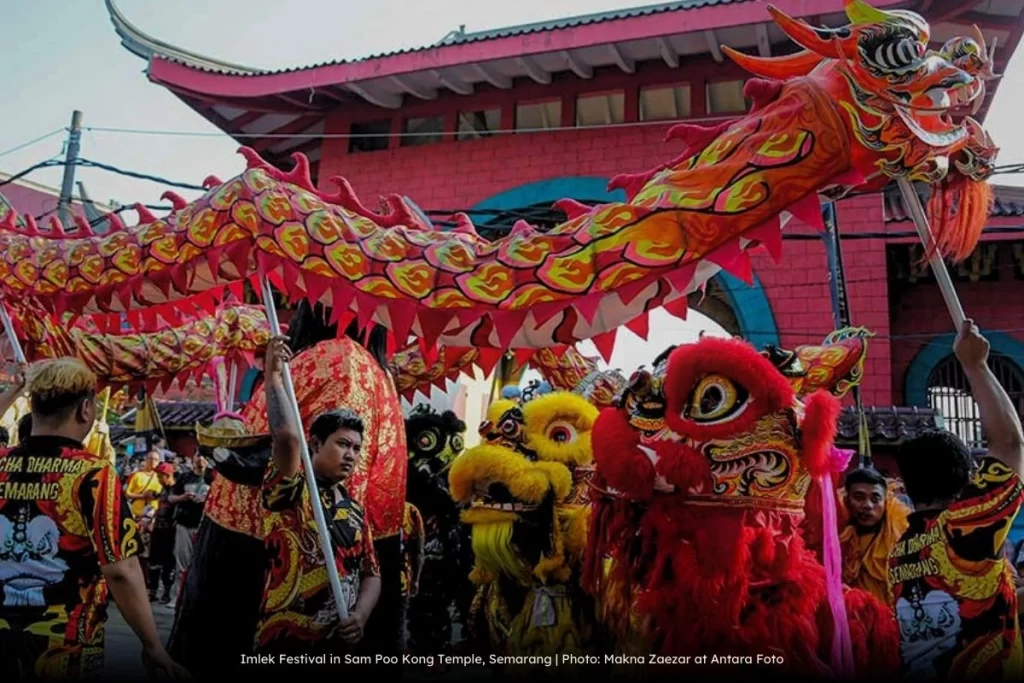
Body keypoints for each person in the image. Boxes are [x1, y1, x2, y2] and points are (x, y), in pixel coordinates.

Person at [0, 357, 186, 679]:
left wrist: (12, 392)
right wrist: (152, 645)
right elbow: (121, 570)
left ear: (32, 405)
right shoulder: (92, 474)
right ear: (86, 409)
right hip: (65, 643)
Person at [889, 320, 1024, 680]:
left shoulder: (900, 551)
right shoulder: (965, 528)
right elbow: (1009, 445)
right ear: (967, 480)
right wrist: (975, 365)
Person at [254, 335, 381, 654]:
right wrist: (273, 376)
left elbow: (372, 574)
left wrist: (361, 616)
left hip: (338, 645)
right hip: (284, 642)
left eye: (356, 448)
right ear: (315, 444)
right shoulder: (291, 490)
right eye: (342, 444)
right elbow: (287, 438)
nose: (351, 455)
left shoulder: (354, 509)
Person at [839, 466, 910, 604]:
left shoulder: (902, 537)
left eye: (875, 499)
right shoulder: (837, 537)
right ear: (846, 500)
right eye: (859, 497)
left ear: (885, 503)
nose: (867, 505)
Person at [170, 453, 212, 583]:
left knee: (203, 563)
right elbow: (171, 498)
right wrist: (183, 497)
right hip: (184, 524)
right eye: (198, 456)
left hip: (205, 526)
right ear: (193, 458)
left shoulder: (213, 478)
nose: (201, 459)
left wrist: (207, 499)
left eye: (204, 456)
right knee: (182, 562)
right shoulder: (184, 477)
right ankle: (180, 592)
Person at [147, 462, 177, 604]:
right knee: (153, 561)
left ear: (168, 475)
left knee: (168, 563)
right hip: (158, 529)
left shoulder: (176, 490)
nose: (158, 479)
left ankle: (166, 592)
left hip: (170, 531)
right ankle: (152, 591)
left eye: (160, 476)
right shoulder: (163, 490)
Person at [126, 450, 163, 519]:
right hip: (135, 514)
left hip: (152, 515)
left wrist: (155, 496)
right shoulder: (137, 475)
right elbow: (127, 494)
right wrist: (142, 496)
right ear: (146, 460)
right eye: (150, 458)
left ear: (159, 462)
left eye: (156, 459)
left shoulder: (161, 477)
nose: (153, 461)